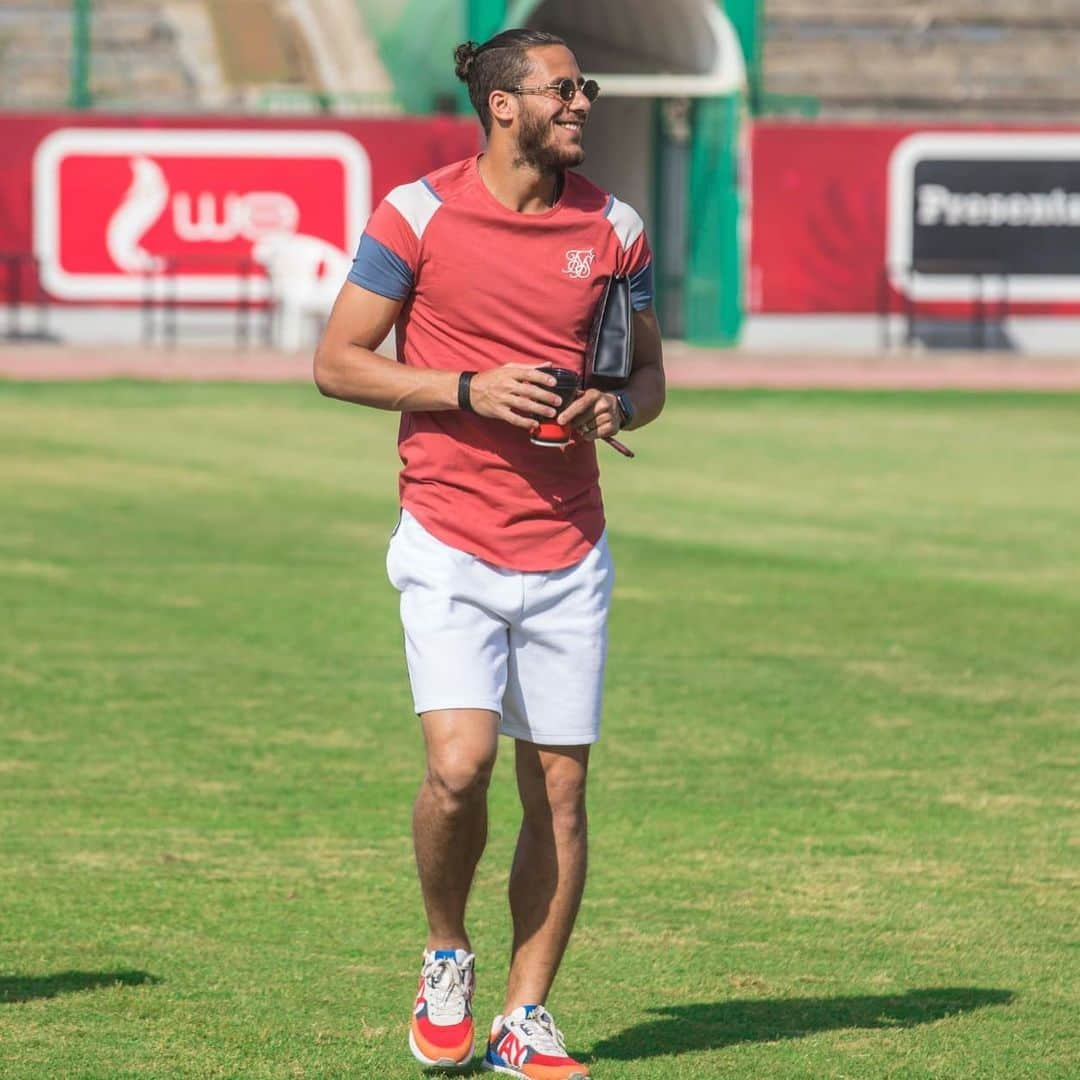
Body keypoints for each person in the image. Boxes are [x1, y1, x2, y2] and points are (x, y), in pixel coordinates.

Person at [313, 27, 665, 1080]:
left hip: (570, 547)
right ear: (503, 105)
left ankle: (525, 1015)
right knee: (458, 768)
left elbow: (649, 379)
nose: (583, 105)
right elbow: (336, 362)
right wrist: (465, 389)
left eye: (585, 88)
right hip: (449, 541)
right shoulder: (415, 215)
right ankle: (446, 950)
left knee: (558, 790)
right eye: (564, 90)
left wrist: (616, 407)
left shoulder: (617, 226)